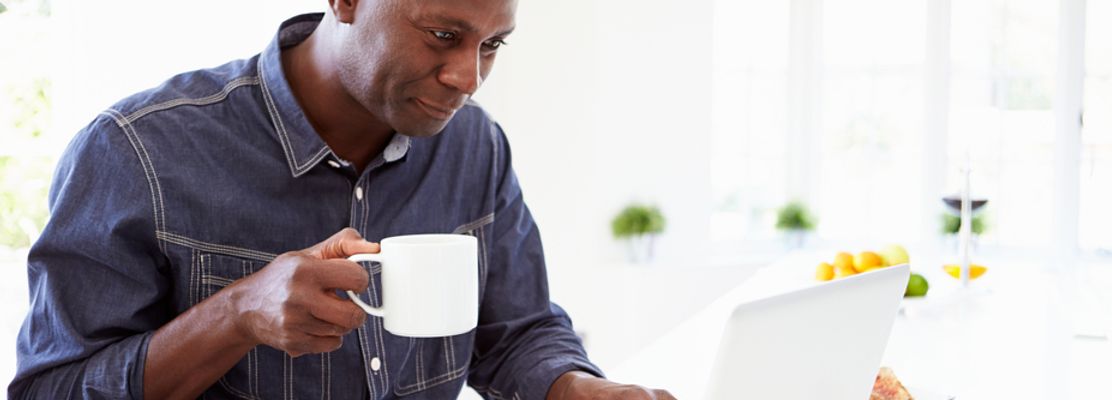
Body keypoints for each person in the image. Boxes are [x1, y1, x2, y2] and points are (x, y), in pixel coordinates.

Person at [10, 0, 676, 399]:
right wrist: (237, 312)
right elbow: (53, 390)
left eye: (492, 44)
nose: (467, 77)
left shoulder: (475, 147)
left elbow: (516, 331)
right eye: (445, 35)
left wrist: (575, 387)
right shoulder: (137, 151)